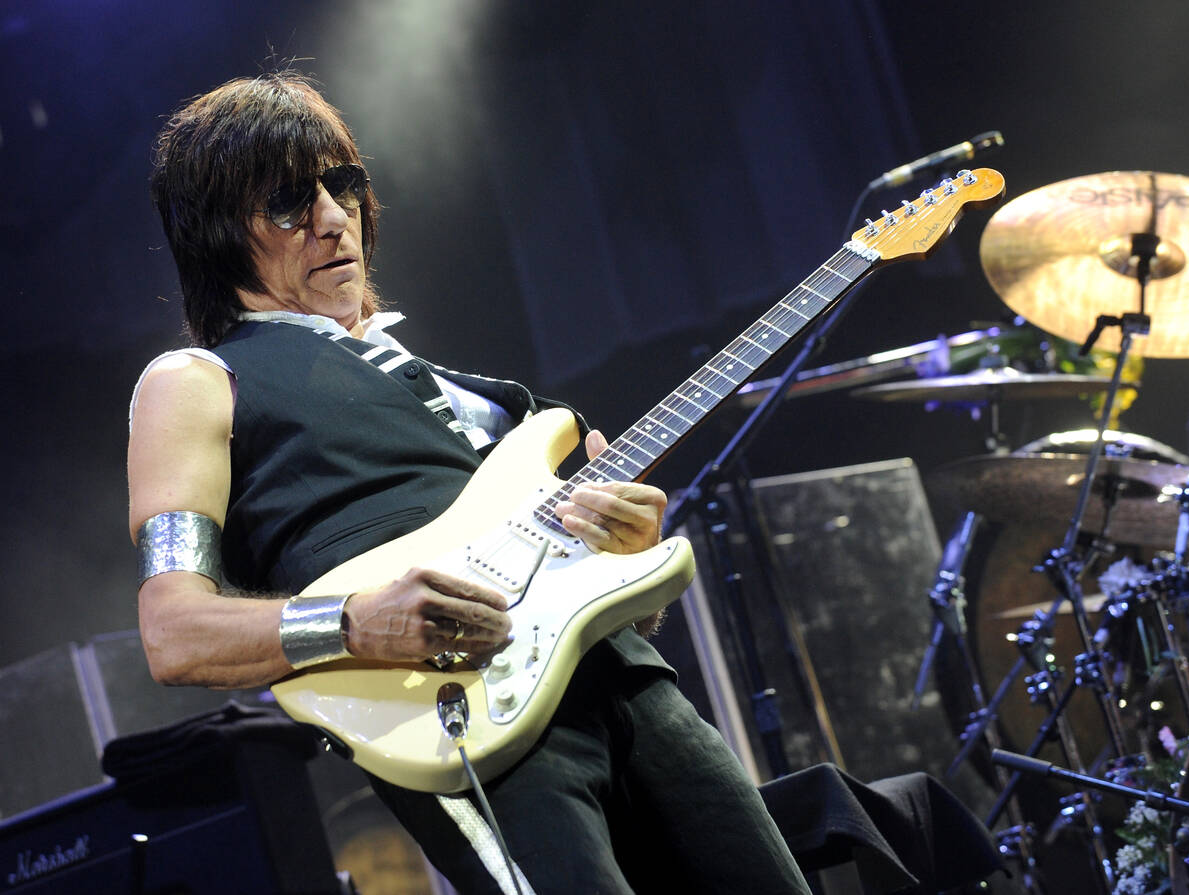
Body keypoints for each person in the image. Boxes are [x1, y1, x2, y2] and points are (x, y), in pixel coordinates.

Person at [127, 72, 811, 894]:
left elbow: (604, 583)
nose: (333, 217)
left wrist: (622, 547)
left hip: (628, 680)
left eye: (342, 185)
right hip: (461, 714)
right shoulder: (195, 380)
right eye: (287, 201)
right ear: (216, 234)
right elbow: (174, 632)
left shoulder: (496, 407)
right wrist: (355, 622)